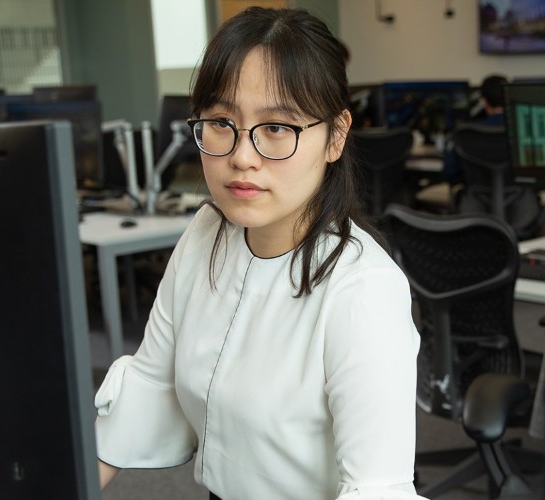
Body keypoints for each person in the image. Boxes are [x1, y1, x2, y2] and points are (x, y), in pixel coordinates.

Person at [93, 7, 425, 500]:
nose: (241, 156)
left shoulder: (363, 291)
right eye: (221, 121)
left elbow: (376, 491)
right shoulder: (207, 232)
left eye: (277, 128)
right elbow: (149, 381)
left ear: (335, 136)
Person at [439, 74, 508, 184]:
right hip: (521, 199)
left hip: (475, 199)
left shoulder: (466, 132)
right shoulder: (523, 131)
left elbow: (449, 172)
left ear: (484, 101)